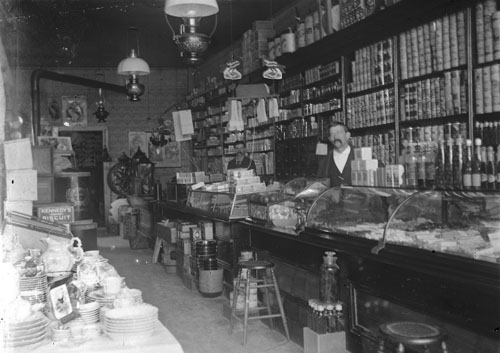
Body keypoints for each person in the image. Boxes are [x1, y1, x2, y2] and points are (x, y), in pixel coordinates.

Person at [316, 122, 355, 187]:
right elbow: (319, 186)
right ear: (329, 139)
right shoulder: (324, 161)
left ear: (348, 135)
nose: (335, 136)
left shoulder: (361, 156)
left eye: (339, 132)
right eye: (332, 134)